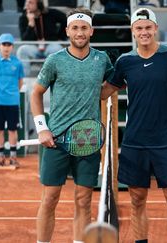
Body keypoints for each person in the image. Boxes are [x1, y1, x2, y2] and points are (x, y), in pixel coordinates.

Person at [101, 8, 167, 243]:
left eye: (148, 27)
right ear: (133, 31)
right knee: (137, 200)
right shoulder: (125, 61)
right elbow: (104, 92)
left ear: (155, 29)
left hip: (166, 142)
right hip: (135, 142)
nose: (144, 32)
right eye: (139, 28)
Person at [30, 8, 114, 243]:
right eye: (75, 28)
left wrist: (118, 84)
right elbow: (36, 93)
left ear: (91, 31)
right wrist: (42, 127)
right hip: (55, 139)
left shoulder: (102, 60)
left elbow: (105, 91)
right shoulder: (54, 60)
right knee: (49, 199)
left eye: (84, 28)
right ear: (67, 31)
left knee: (84, 200)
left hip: (88, 140)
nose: (80, 32)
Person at [0, 33, 24, 168]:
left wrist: (12, 93)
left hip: (13, 102)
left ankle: (13, 157)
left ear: (12, 47)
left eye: (9, 45)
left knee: (13, 130)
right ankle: (0, 156)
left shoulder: (18, 63)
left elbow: (20, 82)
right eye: (4, 44)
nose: (6, 47)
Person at [17, 0, 67, 76]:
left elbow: (66, 20)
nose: (27, 5)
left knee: (58, 49)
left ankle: (54, 78)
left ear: (39, 4)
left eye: (30, 2)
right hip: (34, 48)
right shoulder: (23, 17)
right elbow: (24, 40)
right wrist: (31, 24)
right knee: (22, 50)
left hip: (50, 45)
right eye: (26, 2)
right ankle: (24, 79)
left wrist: (61, 37)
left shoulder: (50, 13)